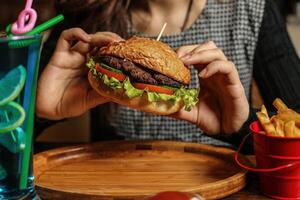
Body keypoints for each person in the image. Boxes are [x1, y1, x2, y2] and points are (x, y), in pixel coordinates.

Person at [36, 0, 300, 150]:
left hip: (220, 183)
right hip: (115, 187)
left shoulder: (250, 9)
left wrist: (240, 127)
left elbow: (296, 123)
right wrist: (39, 112)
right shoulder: (88, 10)